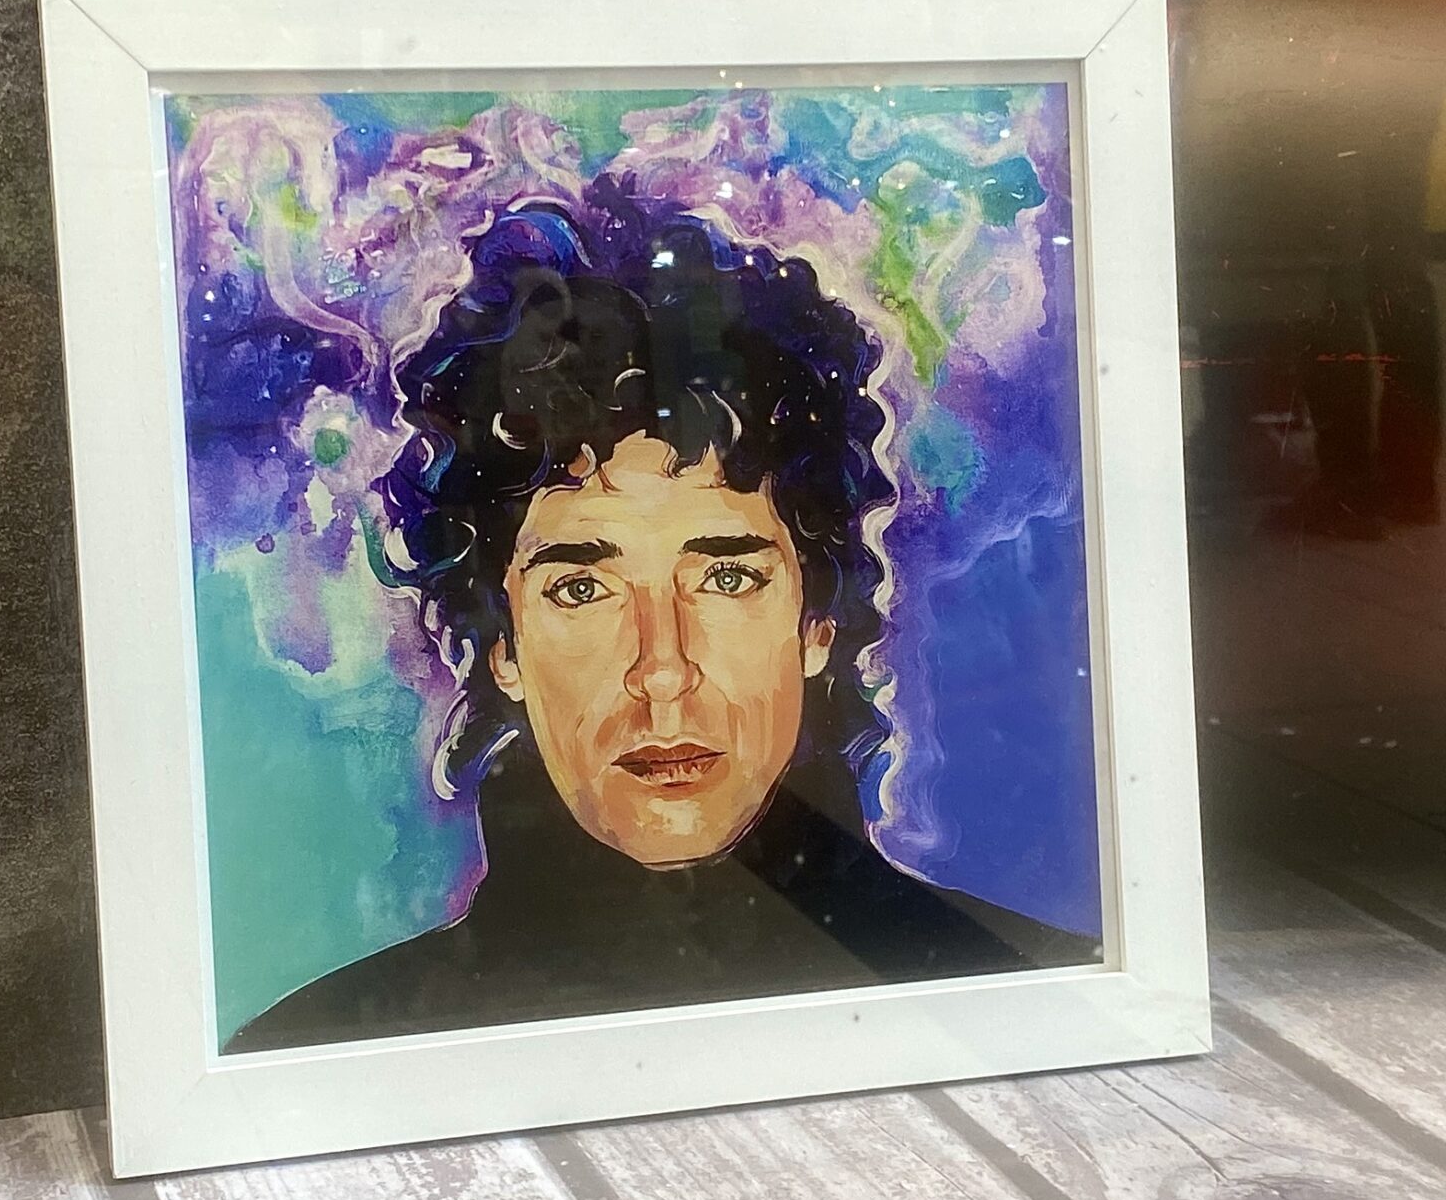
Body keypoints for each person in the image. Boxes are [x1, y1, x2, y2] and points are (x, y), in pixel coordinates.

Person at [226, 194, 1098, 1054]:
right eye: (582, 590)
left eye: (726, 577)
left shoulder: (1041, 1005)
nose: (663, 669)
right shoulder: (316, 1057)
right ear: (502, 646)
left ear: (816, 624)